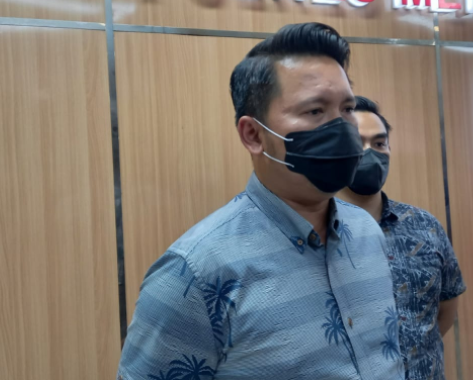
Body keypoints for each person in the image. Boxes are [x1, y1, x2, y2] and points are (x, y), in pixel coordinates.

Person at [117, 24, 404, 380]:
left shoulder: (367, 232)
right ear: (253, 135)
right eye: (315, 111)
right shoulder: (194, 275)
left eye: (346, 109)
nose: (344, 129)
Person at [336, 96, 466, 380]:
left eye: (379, 143)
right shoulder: (319, 231)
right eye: (357, 142)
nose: (370, 153)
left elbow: (445, 310)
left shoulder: (425, 226)